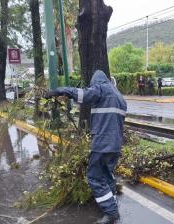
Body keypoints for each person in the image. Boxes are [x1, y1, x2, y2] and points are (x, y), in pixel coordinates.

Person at [47, 70, 127, 224]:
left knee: (94, 177)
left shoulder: (101, 88)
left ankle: (111, 212)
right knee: (107, 174)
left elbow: (82, 94)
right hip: (116, 144)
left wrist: (59, 91)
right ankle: (112, 201)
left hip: (102, 143)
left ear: (96, 81)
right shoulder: (120, 98)